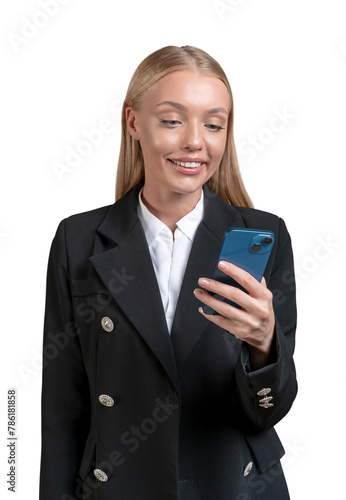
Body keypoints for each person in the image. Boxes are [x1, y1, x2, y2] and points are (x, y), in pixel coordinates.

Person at [39, 45, 297, 500]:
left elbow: (267, 412)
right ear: (134, 123)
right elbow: (62, 409)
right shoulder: (77, 240)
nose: (196, 141)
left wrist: (264, 346)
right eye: (173, 120)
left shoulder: (262, 236)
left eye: (214, 124)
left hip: (231, 486)